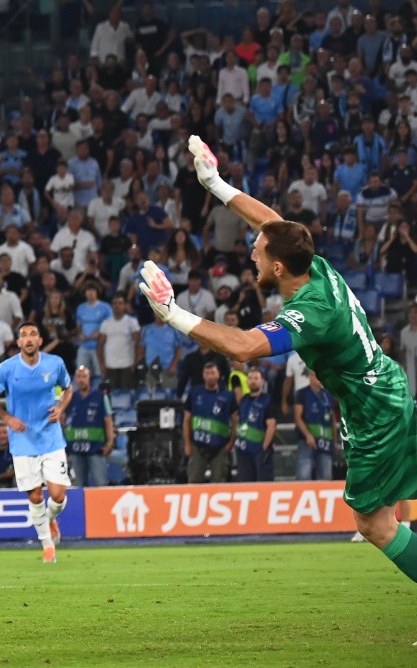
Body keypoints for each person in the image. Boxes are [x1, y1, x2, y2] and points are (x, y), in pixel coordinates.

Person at [141, 136, 417, 582]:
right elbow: (271, 222)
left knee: (375, 524)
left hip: (374, 414)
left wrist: (172, 313)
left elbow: (245, 347)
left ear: (278, 269)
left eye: (259, 252)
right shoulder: (315, 265)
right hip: (386, 388)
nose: (252, 250)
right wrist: (214, 182)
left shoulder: (312, 311)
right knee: (392, 510)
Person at [0, 322, 72, 564]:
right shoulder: (7, 368)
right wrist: (7, 418)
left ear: (40, 340)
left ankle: (52, 518)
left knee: (57, 495)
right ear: (19, 342)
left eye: (33, 334)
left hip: (51, 437)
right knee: (35, 497)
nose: (29, 339)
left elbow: (68, 389)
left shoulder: (54, 363)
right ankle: (47, 547)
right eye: (24, 335)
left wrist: (61, 407)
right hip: (22, 441)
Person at [183, 362, 236, 483]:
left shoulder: (228, 395)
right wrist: (187, 443)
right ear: (203, 375)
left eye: (213, 373)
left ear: (218, 375)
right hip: (198, 444)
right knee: (194, 480)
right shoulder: (195, 393)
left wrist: (231, 443)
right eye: (207, 373)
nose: (210, 376)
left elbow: (235, 420)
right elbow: (187, 419)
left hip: (220, 446)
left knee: (218, 481)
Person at [64, 365, 113, 488]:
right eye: (79, 377)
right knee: (78, 485)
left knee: (100, 483)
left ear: (89, 378)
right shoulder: (70, 398)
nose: (81, 380)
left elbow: (108, 420)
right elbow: (62, 419)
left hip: (96, 448)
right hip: (75, 449)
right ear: (75, 379)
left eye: (84, 376)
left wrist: (110, 443)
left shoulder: (101, 397)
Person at [233, 366, 277, 482]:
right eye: (250, 378)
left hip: (259, 450)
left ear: (262, 381)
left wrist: (264, 448)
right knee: (245, 483)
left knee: (263, 484)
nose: (253, 381)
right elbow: (239, 421)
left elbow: (271, 426)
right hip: (243, 450)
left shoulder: (267, 400)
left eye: (256, 378)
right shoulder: (244, 400)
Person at [295, 369, 337, 481]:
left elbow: (332, 418)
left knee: (326, 476)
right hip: (307, 441)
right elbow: (298, 418)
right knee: (304, 475)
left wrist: (335, 440)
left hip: (326, 441)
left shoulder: (328, 395)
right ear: (310, 377)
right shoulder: (302, 393)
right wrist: (308, 435)